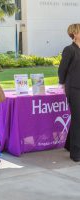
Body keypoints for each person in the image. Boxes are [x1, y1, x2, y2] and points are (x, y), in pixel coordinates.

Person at [58, 23, 80, 162]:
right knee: (78, 119)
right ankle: (76, 153)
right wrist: (63, 83)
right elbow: (62, 69)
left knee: (78, 118)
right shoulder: (70, 50)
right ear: (75, 34)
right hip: (74, 89)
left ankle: (69, 145)